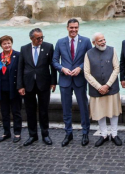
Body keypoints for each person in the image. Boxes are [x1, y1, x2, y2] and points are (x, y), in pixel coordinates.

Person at [52, 18, 92, 147]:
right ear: (67, 28)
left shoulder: (85, 41)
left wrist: (80, 68)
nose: (73, 30)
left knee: (83, 108)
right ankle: (68, 133)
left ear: (78, 28)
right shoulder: (60, 42)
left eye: (76, 27)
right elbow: (54, 61)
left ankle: (85, 133)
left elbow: (89, 58)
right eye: (71, 27)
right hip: (65, 80)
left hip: (80, 79)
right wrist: (62, 68)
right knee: (66, 108)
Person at [17, 28, 57, 146]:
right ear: (31, 38)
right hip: (28, 84)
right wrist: (20, 86)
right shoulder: (24, 49)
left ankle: (45, 134)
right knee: (30, 111)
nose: (41, 40)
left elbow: (52, 66)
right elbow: (20, 68)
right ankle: (32, 135)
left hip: (44, 84)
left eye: (42, 37)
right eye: (38, 38)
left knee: (44, 111)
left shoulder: (49, 47)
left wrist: (53, 82)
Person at [84, 32, 122, 147]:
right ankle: (104, 134)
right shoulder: (88, 54)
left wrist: (107, 85)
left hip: (112, 88)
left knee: (114, 111)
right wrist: (99, 87)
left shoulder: (112, 50)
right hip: (96, 90)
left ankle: (114, 134)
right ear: (94, 43)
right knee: (100, 112)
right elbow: (86, 73)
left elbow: (116, 68)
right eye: (100, 40)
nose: (103, 42)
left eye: (104, 39)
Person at [0, 35, 22, 143]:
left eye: (8, 43)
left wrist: (21, 86)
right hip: (2, 88)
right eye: (4, 44)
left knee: (16, 111)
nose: (7, 45)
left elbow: (21, 73)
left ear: (11, 43)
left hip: (14, 88)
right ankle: (6, 132)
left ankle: (17, 133)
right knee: (4, 112)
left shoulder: (17, 55)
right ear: (1, 46)